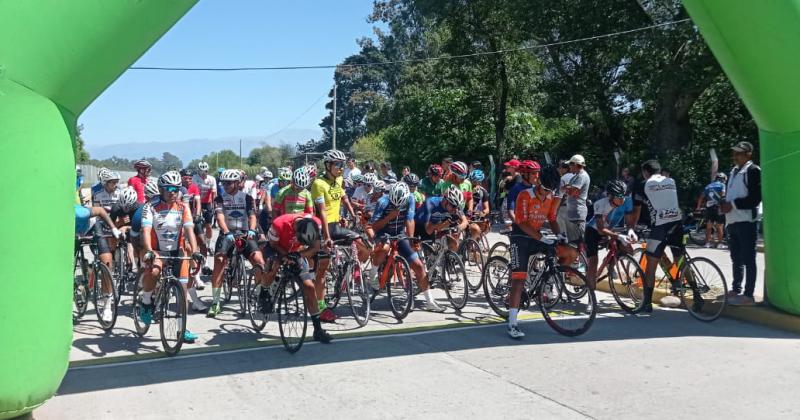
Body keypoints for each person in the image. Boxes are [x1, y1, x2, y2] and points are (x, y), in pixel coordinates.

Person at [139, 171, 205, 343]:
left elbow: (190, 231)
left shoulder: (183, 207)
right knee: (153, 272)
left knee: (183, 292)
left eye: (176, 188)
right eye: (168, 188)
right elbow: (146, 230)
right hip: (157, 249)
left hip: (178, 250)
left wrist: (196, 252)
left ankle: (182, 329)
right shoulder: (150, 206)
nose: (173, 192)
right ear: (161, 189)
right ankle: (146, 301)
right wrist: (148, 250)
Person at [505, 160, 562, 339]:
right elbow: (521, 223)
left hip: (536, 235)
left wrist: (560, 235)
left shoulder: (552, 197)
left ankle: (545, 283)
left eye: (550, 191)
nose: (547, 193)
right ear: (538, 183)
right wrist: (542, 238)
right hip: (520, 238)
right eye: (544, 189)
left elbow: (552, 219)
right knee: (518, 281)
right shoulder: (524, 194)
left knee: (564, 251)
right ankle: (512, 323)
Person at [311, 149, 371, 322]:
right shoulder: (318, 184)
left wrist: (353, 215)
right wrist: (327, 237)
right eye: (337, 165)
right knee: (322, 269)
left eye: (342, 165)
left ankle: (346, 273)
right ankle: (321, 307)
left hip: (337, 224)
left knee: (364, 247)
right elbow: (322, 212)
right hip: (324, 228)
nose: (340, 168)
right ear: (328, 165)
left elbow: (344, 199)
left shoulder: (339, 179)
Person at [367, 182, 444, 312]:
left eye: (399, 204)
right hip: (383, 232)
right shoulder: (382, 202)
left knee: (419, 266)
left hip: (399, 233)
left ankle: (430, 301)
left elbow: (409, 219)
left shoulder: (410, 199)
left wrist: (412, 238)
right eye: (394, 203)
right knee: (385, 248)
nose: (397, 206)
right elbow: (374, 226)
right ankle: (373, 271)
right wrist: (389, 217)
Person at [259, 213, 333, 343]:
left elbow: (314, 248)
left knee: (309, 287)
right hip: (276, 247)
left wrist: (297, 255)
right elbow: (273, 244)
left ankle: (318, 330)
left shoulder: (315, 224)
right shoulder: (279, 223)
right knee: (273, 265)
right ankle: (264, 292)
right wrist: (285, 255)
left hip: (296, 252)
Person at [207, 169, 271, 317]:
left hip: (243, 234)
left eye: (229, 183)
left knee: (259, 260)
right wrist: (226, 231)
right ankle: (215, 302)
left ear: (237, 183)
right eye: (223, 183)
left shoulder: (247, 198)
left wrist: (253, 230)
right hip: (227, 234)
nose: (226, 185)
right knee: (219, 260)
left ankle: (259, 293)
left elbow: (252, 216)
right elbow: (220, 216)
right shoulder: (220, 199)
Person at [631, 159, 683, 313]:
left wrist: (632, 228)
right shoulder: (671, 181)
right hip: (677, 222)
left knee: (651, 262)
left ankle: (646, 303)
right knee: (680, 258)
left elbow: (637, 209)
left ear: (645, 172)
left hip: (660, 225)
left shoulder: (643, 184)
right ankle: (696, 295)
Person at [721, 141, 762, 305]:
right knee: (735, 257)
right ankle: (736, 288)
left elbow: (755, 198)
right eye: (734, 153)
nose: (735, 156)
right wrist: (725, 204)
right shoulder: (733, 171)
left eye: (739, 153)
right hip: (732, 220)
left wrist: (733, 204)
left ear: (748, 154)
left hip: (746, 220)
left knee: (748, 258)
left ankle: (748, 294)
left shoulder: (753, 171)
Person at [74, 204, 122, 323]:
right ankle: (76, 287)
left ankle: (107, 305)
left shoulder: (80, 213)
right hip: (73, 235)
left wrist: (113, 229)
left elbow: (100, 210)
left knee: (107, 260)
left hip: (91, 227)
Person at [585, 180, 636, 289]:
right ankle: (591, 295)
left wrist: (631, 230)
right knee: (593, 262)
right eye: (619, 197)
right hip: (593, 231)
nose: (622, 199)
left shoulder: (627, 201)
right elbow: (600, 229)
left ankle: (610, 264)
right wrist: (618, 236)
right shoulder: (600, 204)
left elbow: (629, 221)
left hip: (609, 230)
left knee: (628, 249)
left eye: (624, 196)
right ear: (610, 196)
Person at [414, 185, 469, 254]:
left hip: (436, 226)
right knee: (428, 256)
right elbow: (428, 230)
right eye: (453, 206)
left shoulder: (455, 205)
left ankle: (448, 262)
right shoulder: (431, 204)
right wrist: (448, 222)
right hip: (420, 227)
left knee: (453, 244)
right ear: (445, 201)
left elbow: (465, 222)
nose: (455, 209)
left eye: (457, 207)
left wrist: (458, 228)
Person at [180, 168, 208, 291]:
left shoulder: (194, 187)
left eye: (190, 178)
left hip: (192, 218)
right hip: (181, 220)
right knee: (188, 247)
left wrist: (197, 215)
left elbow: (198, 201)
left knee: (202, 241)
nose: (188, 180)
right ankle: (195, 276)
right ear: (181, 178)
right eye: (186, 178)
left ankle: (204, 264)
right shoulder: (179, 189)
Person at [563, 155, 590, 249]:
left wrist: (567, 188)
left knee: (578, 244)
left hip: (577, 213)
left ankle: (583, 263)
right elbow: (568, 190)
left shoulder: (581, 177)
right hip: (574, 213)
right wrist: (568, 188)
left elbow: (570, 191)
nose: (569, 167)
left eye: (570, 164)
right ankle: (578, 262)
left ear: (575, 164)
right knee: (573, 243)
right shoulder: (577, 176)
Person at [695, 173, 728, 248]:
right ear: (723, 179)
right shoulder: (722, 185)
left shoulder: (708, 186)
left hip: (709, 207)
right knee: (719, 226)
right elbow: (723, 195)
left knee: (709, 226)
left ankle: (707, 243)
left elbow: (701, 197)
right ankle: (720, 244)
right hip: (718, 207)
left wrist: (698, 207)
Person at [193, 162, 217, 244]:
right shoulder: (195, 178)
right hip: (197, 203)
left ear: (208, 171)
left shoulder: (212, 179)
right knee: (196, 224)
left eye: (205, 171)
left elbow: (214, 194)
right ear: (198, 171)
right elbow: (194, 192)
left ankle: (208, 244)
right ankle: (197, 241)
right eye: (201, 172)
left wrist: (215, 206)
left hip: (207, 203)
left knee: (209, 226)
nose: (203, 173)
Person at [467, 169, 490, 240]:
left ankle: (477, 241)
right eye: (473, 182)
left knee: (487, 227)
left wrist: (482, 213)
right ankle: (470, 246)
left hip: (476, 215)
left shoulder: (483, 191)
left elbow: (487, 209)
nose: (476, 184)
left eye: (478, 182)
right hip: (466, 214)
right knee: (475, 230)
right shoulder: (466, 189)